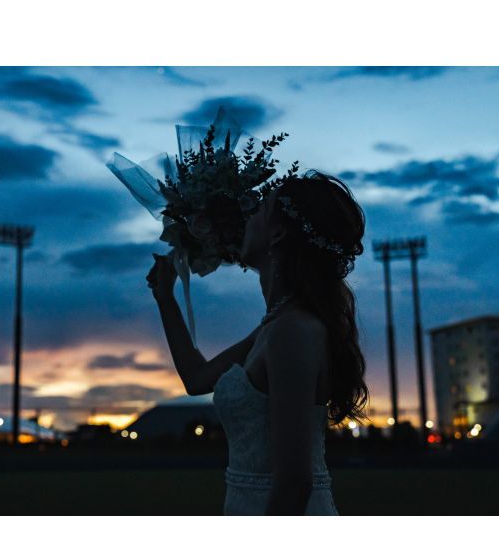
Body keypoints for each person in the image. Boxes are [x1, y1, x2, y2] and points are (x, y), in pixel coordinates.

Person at [146, 170, 369, 515]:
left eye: (260, 211)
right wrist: (166, 298)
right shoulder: (275, 325)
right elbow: (197, 378)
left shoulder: (293, 330)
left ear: (277, 234)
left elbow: (295, 482)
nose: (247, 220)